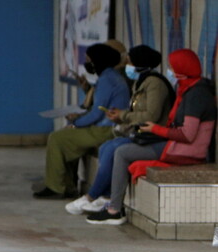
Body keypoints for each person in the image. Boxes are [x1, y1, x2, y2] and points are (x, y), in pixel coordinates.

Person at [87, 48, 216, 225]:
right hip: (175, 144)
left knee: (122, 152)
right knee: (119, 147)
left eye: (173, 67)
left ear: (182, 68)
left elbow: (188, 134)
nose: (170, 71)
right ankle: (111, 203)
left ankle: (114, 209)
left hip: (186, 150)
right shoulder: (189, 89)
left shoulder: (197, 95)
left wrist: (155, 129)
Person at [65, 45, 173, 214]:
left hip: (155, 138)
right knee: (106, 147)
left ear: (140, 62)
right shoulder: (142, 81)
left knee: (117, 150)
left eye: (129, 61)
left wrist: (123, 116)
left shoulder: (155, 84)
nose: (126, 65)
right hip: (142, 135)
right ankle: (105, 196)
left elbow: (150, 115)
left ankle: (93, 196)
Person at [33, 43, 130, 199]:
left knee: (57, 138)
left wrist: (75, 124)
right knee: (67, 140)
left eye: (89, 60)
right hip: (104, 129)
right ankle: (67, 186)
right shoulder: (110, 77)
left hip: (105, 131)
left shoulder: (107, 80)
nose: (87, 64)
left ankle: (56, 187)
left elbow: (97, 114)